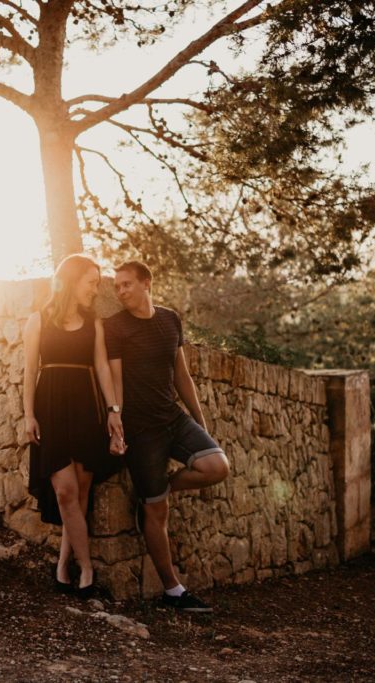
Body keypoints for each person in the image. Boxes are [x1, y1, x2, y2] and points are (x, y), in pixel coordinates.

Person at [104, 261, 230, 613]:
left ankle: (162, 487)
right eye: (116, 286)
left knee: (217, 466)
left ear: (146, 283)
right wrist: (116, 420)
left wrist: (199, 419)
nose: (121, 291)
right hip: (141, 430)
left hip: (174, 418)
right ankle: (173, 590)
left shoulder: (170, 319)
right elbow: (114, 380)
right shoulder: (114, 327)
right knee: (157, 512)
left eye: (127, 284)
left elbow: (182, 374)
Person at [23, 254, 124, 599]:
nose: (96, 290)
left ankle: (63, 569)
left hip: (85, 409)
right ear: (70, 280)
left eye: (98, 283)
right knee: (65, 492)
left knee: (79, 497)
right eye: (91, 282)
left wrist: (113, 412)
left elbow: (102, 369)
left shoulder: (94, 323)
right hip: (50, 406)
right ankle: (87, 568)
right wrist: (28, 415)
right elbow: (27, 372)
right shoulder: (37, 320)